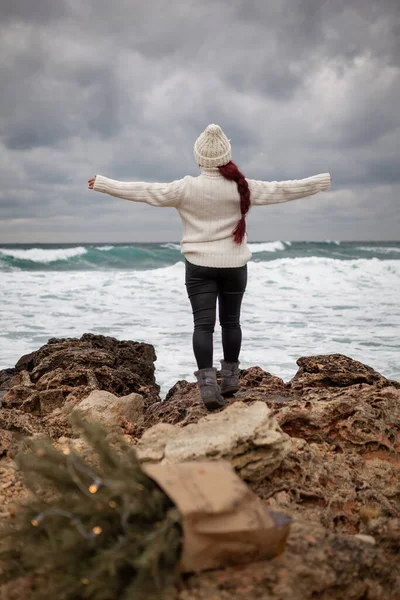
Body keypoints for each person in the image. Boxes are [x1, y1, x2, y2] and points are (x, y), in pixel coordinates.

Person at [88, 124, 331, 409]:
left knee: (203, 326)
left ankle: (207, 387)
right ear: (226, 155)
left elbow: (145, 191)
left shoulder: (186, 187)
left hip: (199, 266)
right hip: (234, 266)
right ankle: (229, 380)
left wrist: (105, 184)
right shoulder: (243, 187)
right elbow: (283, 190)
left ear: (199, 158)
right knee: (231, 323)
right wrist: (320, 182)